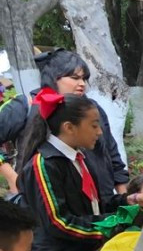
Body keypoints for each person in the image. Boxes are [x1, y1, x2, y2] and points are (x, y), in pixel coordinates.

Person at [18, 92, 143, 251]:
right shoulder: (43, 164)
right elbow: (59, 222)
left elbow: (95, 205)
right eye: (94, 125)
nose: (99, 132)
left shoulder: (80, 158)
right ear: (69, 127)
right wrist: (114, 224)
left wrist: (129, 200)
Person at [36, 50, 129, 196]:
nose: (81, 84)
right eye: (74, 78)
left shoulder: (92, 108)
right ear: (53, 78)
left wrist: (123, 197)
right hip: (67, 199)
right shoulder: (35, 108)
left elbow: (110, 151)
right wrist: (12, 178)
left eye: (84, 79)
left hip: (103, 198)